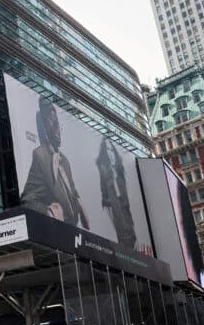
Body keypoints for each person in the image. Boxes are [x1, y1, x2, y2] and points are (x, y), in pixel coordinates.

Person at [21, 97, 89, 228]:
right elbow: (28, 201)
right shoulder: (40, 155)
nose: (57, 129)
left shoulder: (65, 160)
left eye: (57, 122)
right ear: (44, 125)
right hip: (57, 231)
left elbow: (72, 191)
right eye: (52, 122)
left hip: (75, 231)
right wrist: (48, 211)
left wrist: (80, 205)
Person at [96, 136, 136, 246]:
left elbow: (126, 197)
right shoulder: (103, 170)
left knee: (131, 234)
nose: (110, 154)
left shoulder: (120, 172)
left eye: (111, 150)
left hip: (124, 207)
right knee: (123, 236)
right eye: (107, 150)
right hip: (114, 206)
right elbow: (103, 189)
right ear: (104, 153)